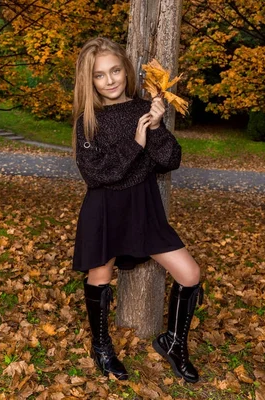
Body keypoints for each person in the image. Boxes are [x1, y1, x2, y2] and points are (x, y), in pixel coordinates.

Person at [71, 37, 204, 383]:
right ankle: (101, 347)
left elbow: (169, 161)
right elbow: (96, 174)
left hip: (144, 208)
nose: (110, 80)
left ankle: (173, 342)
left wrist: (156, 128)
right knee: (99, 277)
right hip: (105, 210)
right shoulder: (88, 120)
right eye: (100, 75)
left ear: (125, 70)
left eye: (115, 70)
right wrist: (136, 144)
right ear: (90, 81)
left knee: (190, 275)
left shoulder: (144, 109)